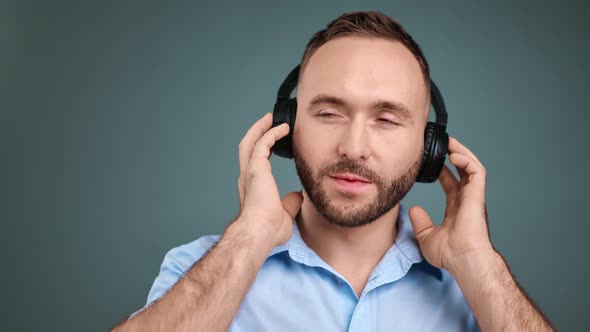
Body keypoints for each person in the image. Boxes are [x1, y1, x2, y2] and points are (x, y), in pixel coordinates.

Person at [113, 11, 554, 332]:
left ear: (429, 148)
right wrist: (248, 241)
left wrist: (480, 266)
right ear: (285, 129)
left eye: (386, 119)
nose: (354, 148)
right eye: (328, 112)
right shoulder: (199, 269)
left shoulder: (477, 291)